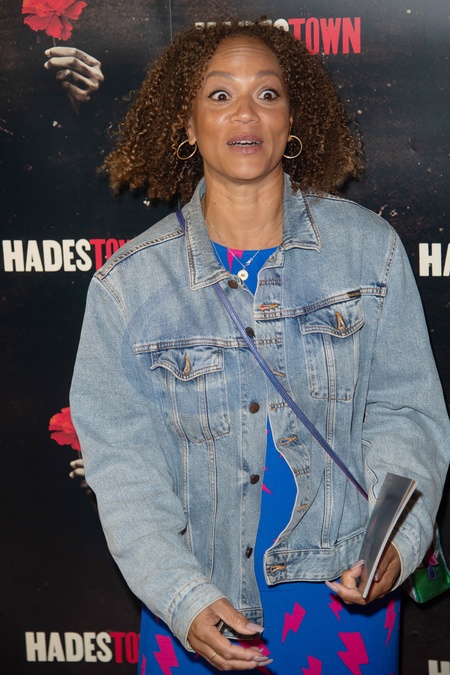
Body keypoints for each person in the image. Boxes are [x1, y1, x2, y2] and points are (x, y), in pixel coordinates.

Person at [70, 19, 450, 674]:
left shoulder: (369, 251)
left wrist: (399, 541)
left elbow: (405, 413)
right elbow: (125, 467)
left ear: (292, 118)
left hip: (343, 597)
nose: (245, 113)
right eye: (220, 95)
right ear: (187, 125)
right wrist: (181, 596)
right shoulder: (127, 286)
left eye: (267, 94)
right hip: (202, 607)